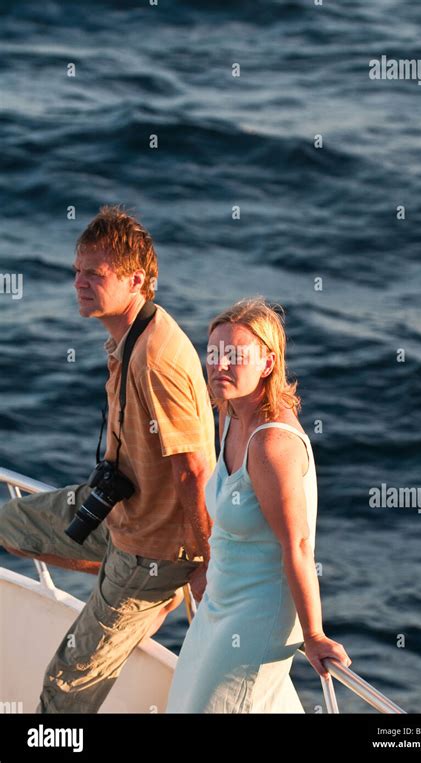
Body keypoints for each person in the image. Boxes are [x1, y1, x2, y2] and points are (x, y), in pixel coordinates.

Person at [0, 206, 216, 713]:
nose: (78, 283)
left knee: (64, 689)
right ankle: (133, 591)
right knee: (8, 525)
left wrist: (208, 561)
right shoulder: (129, 335)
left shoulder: (157, 357)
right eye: (76, 271)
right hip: (121, 513)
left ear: (136, 280)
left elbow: (194, 470)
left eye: (93, 275)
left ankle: (145, 593)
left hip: (153, 548)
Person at [165, 297, 351, 713]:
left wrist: (315, 634)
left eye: (235, 355)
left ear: (267, 363)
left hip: (255, 618)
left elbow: (298, 546)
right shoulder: (230, 414)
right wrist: (206, 567)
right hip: (217, 603)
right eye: (214, 353)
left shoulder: (271, 444)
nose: (220, 365)